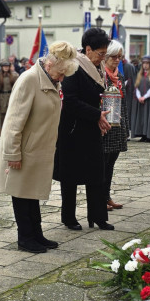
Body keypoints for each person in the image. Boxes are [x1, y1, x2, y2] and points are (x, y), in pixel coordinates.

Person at [0, 41, 78, 253]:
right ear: (49, 66)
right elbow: (13, 121)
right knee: (21, 194)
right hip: (23, 150)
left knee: (31, 195)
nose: (62, 79)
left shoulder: (51, 80)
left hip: (38, 150)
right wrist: (12, 153)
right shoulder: (29, 80)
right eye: (61, 74)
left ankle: (36, 234)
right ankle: (25, 238)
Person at [54, 27, 113, 232]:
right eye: (100, 53)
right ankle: (68, 216)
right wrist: (96, 114)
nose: (103, 57)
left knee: (97, 173)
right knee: (70, 176)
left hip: (91, 127)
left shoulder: (98, 68)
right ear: (88, 49)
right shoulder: (74, 67)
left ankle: (98, 216)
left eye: (105, 53)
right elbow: (70, 101)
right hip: (72, 130)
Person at [101, 41, 129, 212]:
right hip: (105, 127)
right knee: (103, 165)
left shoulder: (120, 77)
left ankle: (107, 196)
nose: (117, 60)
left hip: (118, 127)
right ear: (105, 57)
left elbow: (124, 104)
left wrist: (127, 127)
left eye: (119, 57)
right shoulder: (100, 76)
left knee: (111, 164)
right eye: (114, 56)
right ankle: (100, 198)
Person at [132, 56, 150, 143]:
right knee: (142, 117)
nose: (145, 65)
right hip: (140, 100)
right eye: (144, 63)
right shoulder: (139, 75)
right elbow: (136, 87)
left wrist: (144, 97)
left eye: (147, 63)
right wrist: (139, 97)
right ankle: (143, 134)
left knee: (149, 116)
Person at [0, 61, 18, 137]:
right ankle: (2, 133)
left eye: (7, 66)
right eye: (4, 66)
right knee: (2, 117)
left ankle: (10, 133)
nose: (6, 68)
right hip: (2, 98)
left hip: (11, 97)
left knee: (12, 116)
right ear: (2, 67)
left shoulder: (14, 76)